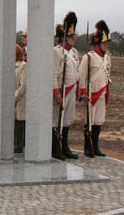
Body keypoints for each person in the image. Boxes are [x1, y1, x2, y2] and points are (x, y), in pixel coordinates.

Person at [79, 20, 111, 158]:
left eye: (106, 43)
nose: (106, 45)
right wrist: (83, 92)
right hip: (91, 94)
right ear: (97, 44)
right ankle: (88, 147)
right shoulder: (88, 57)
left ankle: (96, 146)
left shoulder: (108, 59)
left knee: (98, 121)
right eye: (104, 43)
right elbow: (82, 76)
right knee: (89, 122)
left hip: (102, 93)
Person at [52, 12, 79, 160]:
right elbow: (53, 74)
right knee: (57, 120)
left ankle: (65, 146)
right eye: (70, 36)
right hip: (61, 91)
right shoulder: (56, 52)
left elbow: (76, 71)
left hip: (71, 90)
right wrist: (56, 92)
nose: (73, 39)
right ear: (63, 38)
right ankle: (56, 148)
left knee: (67, 119)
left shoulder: (74, 52)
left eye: (73, 36)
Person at [14, 44, 26, 153]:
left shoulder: (23, 66)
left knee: (19, 123)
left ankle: (19, 146)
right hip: (11, 99)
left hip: (19, 99)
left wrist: (13, 97)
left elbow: (23, 86)